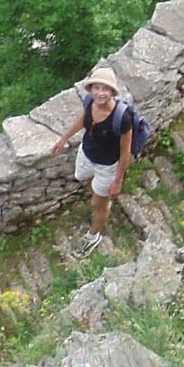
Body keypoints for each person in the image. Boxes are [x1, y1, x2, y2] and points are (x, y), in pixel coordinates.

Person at [47, 65, 133, 256]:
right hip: (86, 154)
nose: (100, 93)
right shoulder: (89, 102)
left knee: (97, 204)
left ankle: (93, 236)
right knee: (80, 176)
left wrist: (118, 181)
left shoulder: (122, 118)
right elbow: (83, 119)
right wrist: (64, 138)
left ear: (112, 91)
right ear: (91, 89)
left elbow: (125, 152)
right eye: (96, 88)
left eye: (105, 89)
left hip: (106, 167)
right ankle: (100, 195)